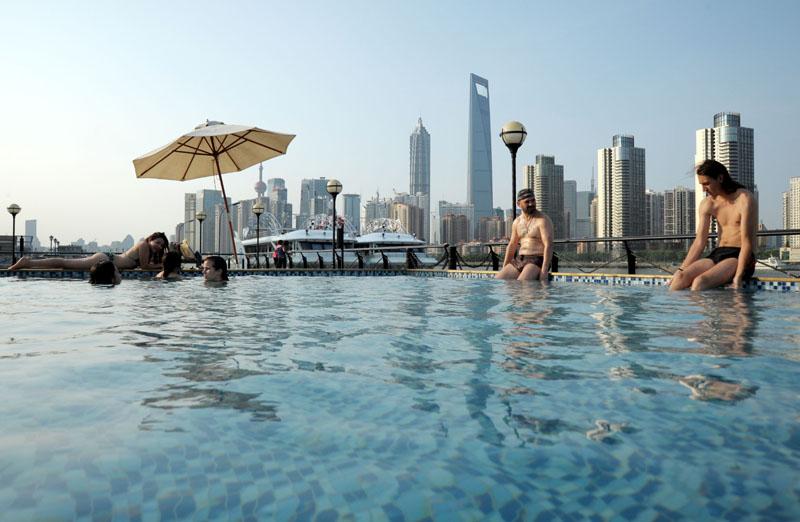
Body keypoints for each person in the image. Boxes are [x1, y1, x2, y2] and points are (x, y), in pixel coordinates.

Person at [670, 160, 757, 291]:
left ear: (720, 178)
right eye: (701, 184)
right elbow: (699, 242)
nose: (704, 189)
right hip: (718, 253)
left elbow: (747, 242)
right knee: (679, 279)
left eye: (707, 184)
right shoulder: (708, 204)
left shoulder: (744, 199)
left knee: (699, 282)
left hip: (738, 255)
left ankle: (707, 311)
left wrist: (738, 277)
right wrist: (681, 269)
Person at [10, 232, 168, 272]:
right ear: (150, 239)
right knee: (64, 263)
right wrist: (163, 266)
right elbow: (146, 267)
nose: (159, 247)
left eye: (162, 245)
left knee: (65, 264)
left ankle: (30, 262)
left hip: (106, 260)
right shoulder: (144, 245)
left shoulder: (147, 248)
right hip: (105, 260)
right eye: (158, 242)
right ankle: (28, 262)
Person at [496, 188, 554, 281]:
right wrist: (505, 266)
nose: (531, 204)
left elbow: (549, 245)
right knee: (499, 280)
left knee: (522, 283)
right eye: (527, 202)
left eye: (533, 200)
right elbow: (512, 245)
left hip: (537, 259)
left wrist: (544, 270)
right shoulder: (517, 222)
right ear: (519, 204)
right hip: (520, 259)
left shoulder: (542, 220)